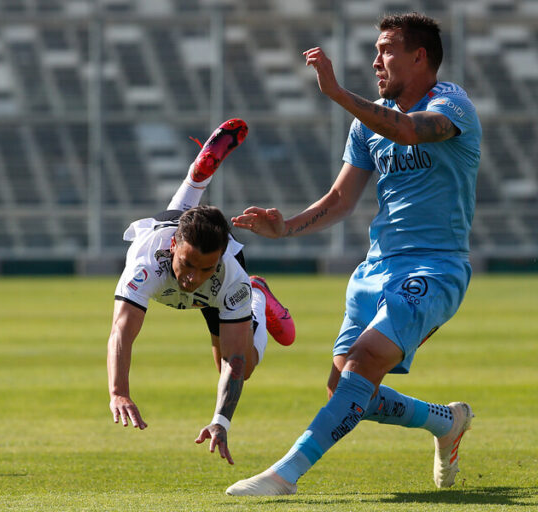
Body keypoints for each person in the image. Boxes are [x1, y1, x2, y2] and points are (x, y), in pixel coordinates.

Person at [226, 12, 481, 495]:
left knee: (363, 361)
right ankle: (445, 422)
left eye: (386, 49)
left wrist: (340, 94)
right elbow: (340, 201)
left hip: (435, 266)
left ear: (419, 56)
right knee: (343, 391)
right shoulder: (366, 127)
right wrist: (285, 229)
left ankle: (285, 476)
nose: (375, 60)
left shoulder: (453, 105)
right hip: (376, 267)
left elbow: (409, 130)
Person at [108, 118, 296, 466]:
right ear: (175, 245)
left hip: (219, 292)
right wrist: (119, 391)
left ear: (219, 260)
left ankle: (259, 294)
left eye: (204, 268)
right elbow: (122, 330)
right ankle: (197, 175)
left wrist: (220, 421)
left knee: (242, 365)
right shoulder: (146, 263)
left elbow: (236, 362)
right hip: (167, 227)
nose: (192, 278)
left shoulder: (229, 277)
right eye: (188, 264)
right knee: (182, 217)